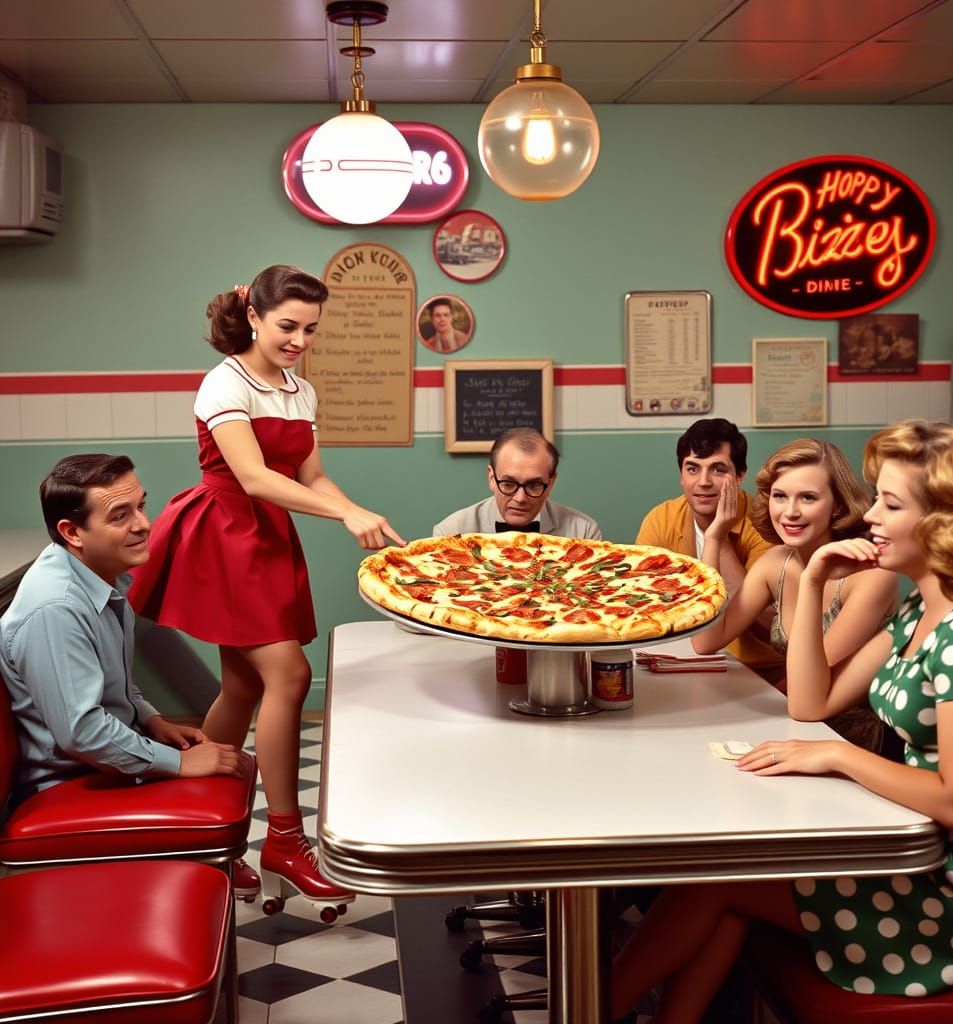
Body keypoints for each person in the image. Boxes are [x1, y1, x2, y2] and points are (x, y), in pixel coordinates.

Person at [612, 420, 953, 1021]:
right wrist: (810, 580)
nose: (872, 517)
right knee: (721, 885)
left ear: (946, 521)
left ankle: (589, 1011)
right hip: (928, 858)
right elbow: (810, 705)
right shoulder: (922, 614)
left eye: (890, 502)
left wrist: (837, 755)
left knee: (715, 881)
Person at [128, 264, 404, 912]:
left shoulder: (300, 391)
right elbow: (252, 477)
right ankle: (284, 837)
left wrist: (358, 510)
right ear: (253, 316)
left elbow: (311, 473)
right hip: (224, 535)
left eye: (311, 329)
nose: (300, 340)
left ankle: (209, 836)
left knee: (245, 685)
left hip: (268, 540)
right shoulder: (224, 382)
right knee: (289, 677)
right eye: (288, 326)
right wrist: (342, 514)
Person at [0, 454, 246, 816]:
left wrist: (151, 719)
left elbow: (114, 682)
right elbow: (82, 732)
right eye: (121, 516)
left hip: (97, 763)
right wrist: (179, 764)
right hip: (68, 783)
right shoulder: (55, 608)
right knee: (217, 769)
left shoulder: (99, 576)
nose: (144, 524)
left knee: (228, 766)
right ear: (72, 532)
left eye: (141, 506)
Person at [691, 439, 899, 751]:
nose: (790, 512)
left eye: (808, 498)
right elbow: (705, 641)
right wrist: (714, 537)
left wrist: (739, 715)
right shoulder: (776, 563)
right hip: (787, 725)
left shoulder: (871, 576)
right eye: (780, 496)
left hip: (848, 743)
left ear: (838, 505)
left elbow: (807, 679)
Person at [635, 418, 782, 679]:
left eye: (717, 470)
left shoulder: (765, 522)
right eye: (692, 469)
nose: (703, 482)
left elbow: (766, 624)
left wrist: (720, 537)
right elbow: (643, 605)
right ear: (681, 475)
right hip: (680, 660)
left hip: (757, 671)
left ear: (739, 476)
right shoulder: (661, 519)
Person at [433, 427, 601, 538]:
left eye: (534, 485)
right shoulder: (450, 532)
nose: (520, 498)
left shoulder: (584, 533)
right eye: (508, 484)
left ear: (550, 484)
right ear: (491, 478)